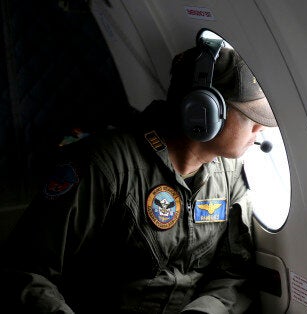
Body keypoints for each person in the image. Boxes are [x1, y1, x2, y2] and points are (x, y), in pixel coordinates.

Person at [1, 36, 277, 313]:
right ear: (202, 112)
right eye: (250, 118)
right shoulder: (103, 166)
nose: (259, 130)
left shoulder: (231, 174)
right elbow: (24, 271)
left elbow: (234, 272)